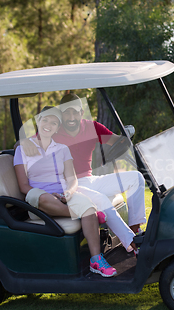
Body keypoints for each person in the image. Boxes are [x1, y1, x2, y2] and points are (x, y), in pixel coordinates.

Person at [22, 93, 147, 251]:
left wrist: (126, 135)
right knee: (101, 199)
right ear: (61, 114)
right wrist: (23, 141)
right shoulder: (54, 129)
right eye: (67, 112)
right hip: (69, 184)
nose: (72, 116)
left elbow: (116, 142)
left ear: (81, 112)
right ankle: (132, 244)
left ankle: (135, 230)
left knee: (136, 178)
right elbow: (31, 142)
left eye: (75, 112)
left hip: (90, 179)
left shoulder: (92, 127)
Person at [13, 106, 117, 277]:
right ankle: (85, 215)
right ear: (38, 121)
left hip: (62, 198)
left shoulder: (62, 149)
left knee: (86, 205)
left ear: (57, 127)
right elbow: (23, 186)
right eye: (45, 120)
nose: (48, 125)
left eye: (54, 123)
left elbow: (72, 179)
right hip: (37, 201)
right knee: (50, 200)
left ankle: (96, 260)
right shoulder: (23, 149)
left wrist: (68, 192)